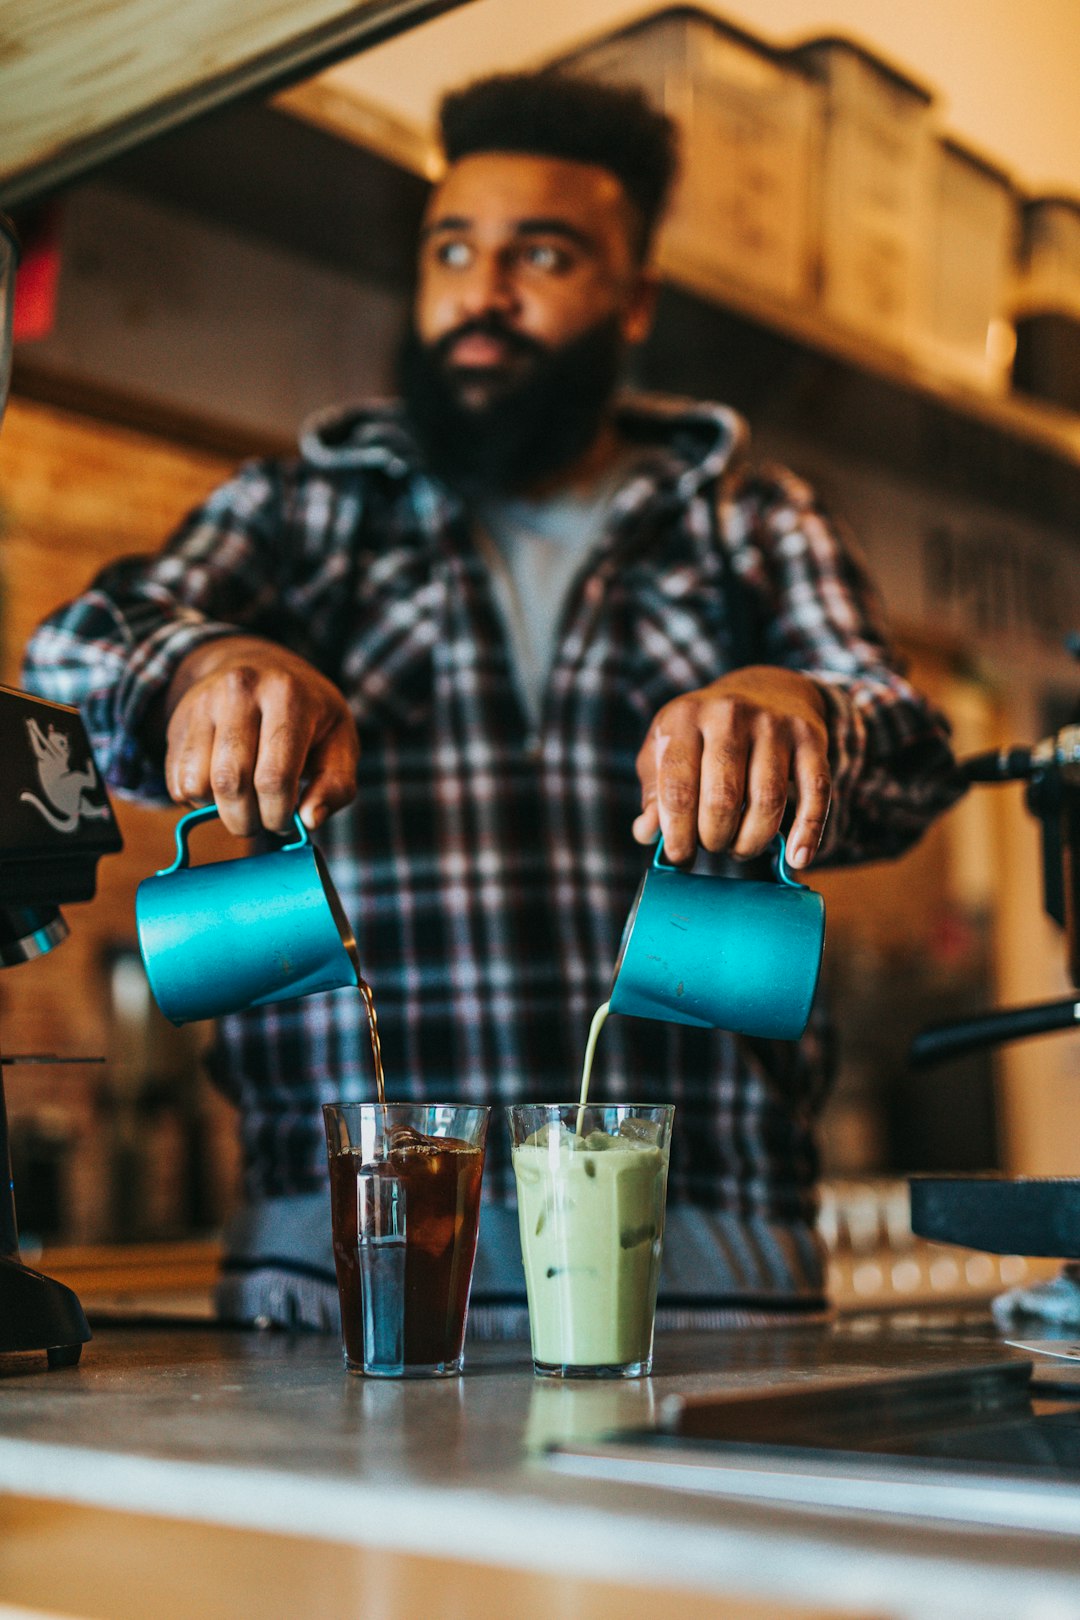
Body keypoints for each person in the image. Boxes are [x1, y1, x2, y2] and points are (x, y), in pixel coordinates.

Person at [23, 71, 963, 1332]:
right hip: (345, 1248)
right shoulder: (305, 508)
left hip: (696, 1254)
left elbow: (911, 755)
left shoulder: (745, 516)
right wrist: (201, 666)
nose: (484, 291)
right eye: (452, 250)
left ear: (632, 304)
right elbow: (69, 657)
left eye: (544, 256)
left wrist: (798, 707)